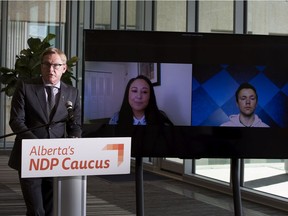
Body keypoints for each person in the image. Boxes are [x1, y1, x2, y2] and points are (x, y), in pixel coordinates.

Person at [8, 47, 82, 216]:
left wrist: (75, 140)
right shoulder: (25, 87)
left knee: (50, 209)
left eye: (56, 65)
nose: (51, 69)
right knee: (36, 210)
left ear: (64, 68)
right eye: (47, 64)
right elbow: (16, 121)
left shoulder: (72, 92)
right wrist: (37, 146)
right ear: (40, 66)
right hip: (30, 156)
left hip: (56, 159)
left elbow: (75, 124)